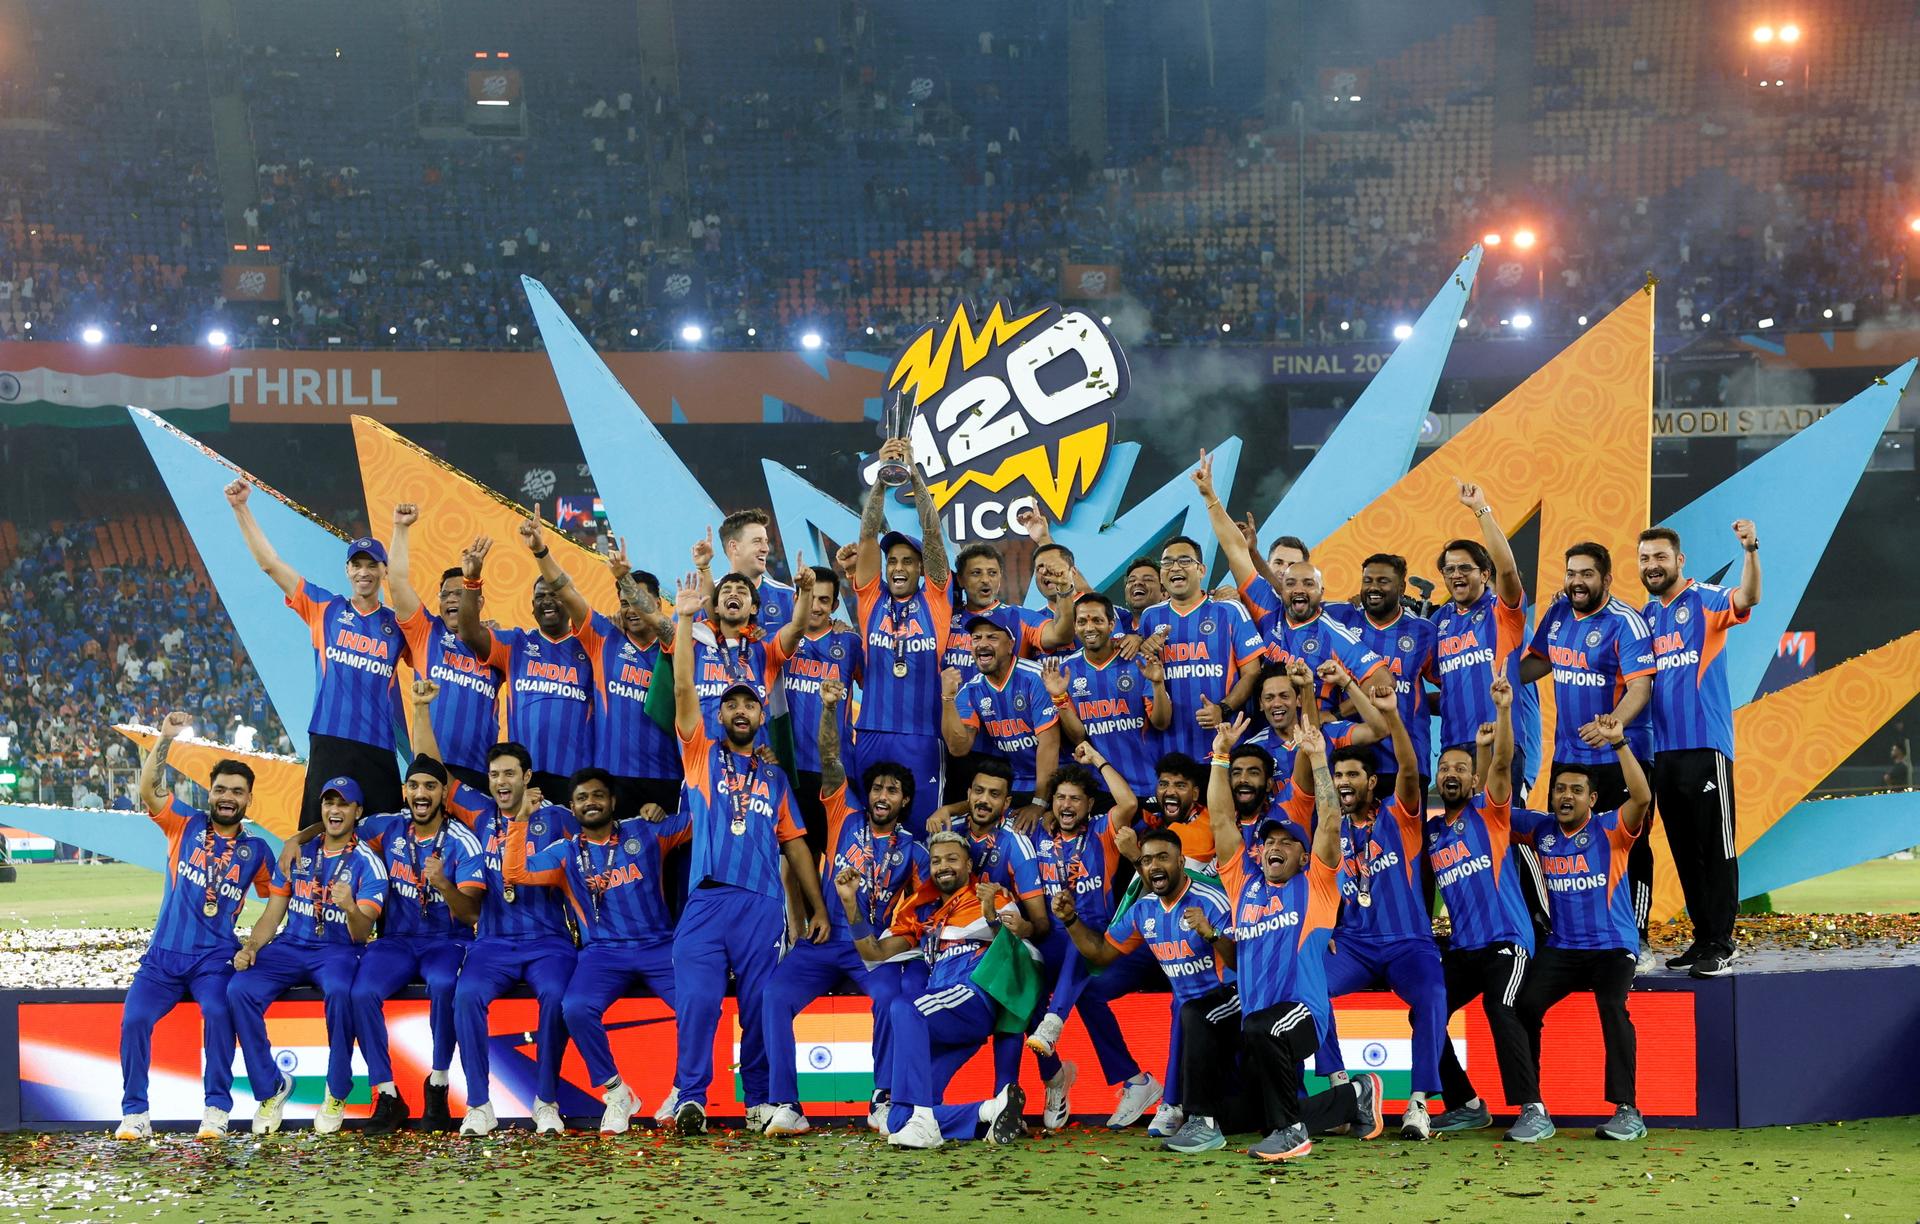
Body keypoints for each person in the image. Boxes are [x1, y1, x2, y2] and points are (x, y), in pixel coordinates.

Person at [666, 574, 830, 1136]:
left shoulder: (776, 779)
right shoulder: (700, 756)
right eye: (731, 704)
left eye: (750, 705)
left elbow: (797, 845)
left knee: (759, 1004)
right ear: (720, 716)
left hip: (761, 905)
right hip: (707, 901)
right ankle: (691, 1096)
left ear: (762, 717)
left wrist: (817, 908)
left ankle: (759, 1099)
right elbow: (683, 691)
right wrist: (684, 618)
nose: (741, 711)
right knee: (698, 1002)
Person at [1204, 720, 1388, 1159]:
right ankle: (1355, 1096)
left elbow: (1330, 821)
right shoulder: (1242, 884)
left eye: (1289, 843)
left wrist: (1319, 758)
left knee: (1261, 1033)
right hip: (1259, 1020)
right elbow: (1221, 819)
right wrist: (1220, 756)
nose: (1277, 847)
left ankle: (1292, 1135)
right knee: (1244, 1116)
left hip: (1302, 1014)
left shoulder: (1317, 886)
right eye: (1271, 841)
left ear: (1304, 856)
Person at [760, 678, 927, 1137]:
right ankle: (787, 1104)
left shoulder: (913, 851)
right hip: (823, 937)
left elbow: (924, 908)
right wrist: (830, 709)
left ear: (904, 801)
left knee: (890, 1000)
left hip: (870, 948)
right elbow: (831, 757)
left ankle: (883, 1097)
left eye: (893, 791)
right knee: (773, 996)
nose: (882, 796)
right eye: (877, 788)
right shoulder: (844, 816)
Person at [115, 712, 285, 1142]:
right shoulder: (184, 824)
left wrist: (254, 944)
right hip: (162, 958)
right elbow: (148, 789)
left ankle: (216, 1109)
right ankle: (135, 1113)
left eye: (237, 792)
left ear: (249, 800)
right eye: (221, 789)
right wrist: (165, 738)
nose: (228, 797)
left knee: (218, 1012)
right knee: (134, 1020)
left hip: (213, 959)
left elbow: (277, 899)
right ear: (210, 793)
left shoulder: (256, 851)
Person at [1296, 690, 1449, 1139]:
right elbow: (1321, 873)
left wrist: (1393, 717)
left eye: (1352, 775)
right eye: (1338, 775)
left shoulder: (1400, 815)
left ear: (1371, 782)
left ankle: (1418, 1104)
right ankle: (1342, 1090)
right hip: (1354, 944)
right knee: (1307, 986)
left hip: (1408, 943)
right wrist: (1319, 757)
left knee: (1433, 994)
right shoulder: (1332, 826)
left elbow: (1408, 768)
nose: (1344, 781)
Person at [505, 767, 688, 1134]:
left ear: (613, 801)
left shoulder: (645, 831)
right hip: (603, 953)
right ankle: (617, 1093)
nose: (591, 802)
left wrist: (666, 807)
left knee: (697, 1004)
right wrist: (520, 820)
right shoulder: (565, 851)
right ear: (572, 808)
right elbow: (517, 873)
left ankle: (682, 1092)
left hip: (658, 945)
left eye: (598, 795)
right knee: (574, 1007)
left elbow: (697, 820)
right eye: (582, 798)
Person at [1506, 714, 1654, 1144]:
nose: (1565, 796)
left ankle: (1628, 1111)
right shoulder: (1541, 830)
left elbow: (1642, 797)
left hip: (1612, 946)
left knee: (1612, 1006)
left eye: (1575, 790)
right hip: (1563, 948)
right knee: (1523, 1006)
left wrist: (1620, 743)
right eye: (1559, 789)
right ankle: (1533, 1109)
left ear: (1592, 798)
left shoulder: (1611, 829)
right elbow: (1494, 813)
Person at [225, 478, 409, 822]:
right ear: (347, 570)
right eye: (357, 564)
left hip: (378, 745)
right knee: (315, 832)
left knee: (386, 834)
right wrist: (241, 509)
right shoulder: (326, 608)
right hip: (329, 738)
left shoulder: (398, 625)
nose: (364, 572)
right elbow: (270, 564)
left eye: (372, 565)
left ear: (385, 571)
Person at [1053, 824, 1237, 1154]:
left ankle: (1189, 1114)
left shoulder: (1210, 900)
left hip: (1232, 1001)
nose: (1154, 866)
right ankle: (1156, 1093)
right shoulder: (1144, 909)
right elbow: (1100, 953)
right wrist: (1070, 921)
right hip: (1193, 1013)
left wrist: (1210, 934)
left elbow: (1241, 960)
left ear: (1181, 862)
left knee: (1189, 1011)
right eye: (1147, 860)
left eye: (1163, 858)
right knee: (1181, 1008)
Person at [345, 705, 486, 1134]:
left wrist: (443, 883)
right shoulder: (387, 827)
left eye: (430, 786)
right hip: (396, 941)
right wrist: (301, 836)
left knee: (444, 984)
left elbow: (473, 913)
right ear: (404, 792)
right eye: (414, 786)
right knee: (362, 991)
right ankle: (387, 1094)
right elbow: (339, 827)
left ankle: (438, 1084)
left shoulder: (463, 841)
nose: (421, 793)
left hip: (448, 939)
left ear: (443, 794)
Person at [841, 831, 1029, 1149]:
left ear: (968, 865)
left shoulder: (990, 897)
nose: (943, 866)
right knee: (896, 1120)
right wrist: (850, 904)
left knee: (904, 1007)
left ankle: (925, 1124)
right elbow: (873, 952)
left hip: (971, 997)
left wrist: (991, 915)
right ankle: (989, 1111)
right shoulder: (922, 913)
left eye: (952, 859)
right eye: (936, 861)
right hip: (941, 1016)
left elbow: (1016, 942)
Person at [228, 776, 387, 1136]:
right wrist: (251, 947)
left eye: (343, 804)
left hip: (338, 950)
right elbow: (273, 913)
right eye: (329, 803)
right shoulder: (298, 852)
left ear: (357, 811)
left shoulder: (368, 863)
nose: (335, 810)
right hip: (291, 945)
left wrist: (350, 907)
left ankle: (337, 1089)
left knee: (341, 992)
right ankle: (271, 1087)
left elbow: (362, 933)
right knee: (239, 989)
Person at [1638, 521, 1760, 978]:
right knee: (1686, 851)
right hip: (1663, 752)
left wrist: (1750, 551)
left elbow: (1748, 598)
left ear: (1679, 560)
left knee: (1716, 847)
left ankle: (1723, 942)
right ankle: (1703, 937)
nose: (1653, 565)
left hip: (1706, 746)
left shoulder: (1705, 599)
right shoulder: (1646, 617)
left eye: (1660, 557)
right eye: (1645, 558)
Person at [1520, 542, 1655, 955]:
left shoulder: (1625, 622)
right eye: (1571, 573)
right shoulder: (1558, 613)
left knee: (1629, 846)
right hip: (1568, 757)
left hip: (1620, 756)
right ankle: (1570, 938)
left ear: (1606, 579)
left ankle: (1638, 938)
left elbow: (1641, 687)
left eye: (1586, 574)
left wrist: (1614, 725)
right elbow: (1540, 661)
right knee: (1563, 845)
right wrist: (1495, 672)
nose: (1577, 582)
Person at [441, 739, 581, 1137]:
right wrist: (419, 711)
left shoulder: (557, 818)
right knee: (466, 996)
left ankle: (546, 1101)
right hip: (493, 942)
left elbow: (600, 834)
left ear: (527, 777)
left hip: (547, 940)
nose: (501, 782)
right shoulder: (480, 812)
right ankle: (479, 1105)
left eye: (509, 774)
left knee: (556, 996)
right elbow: (436, 772)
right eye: (494, 775)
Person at [1424, 677, 1535, 1133]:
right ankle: (1466, 1104)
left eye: (1460, 768)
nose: (1450, 773)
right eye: (1443, 766)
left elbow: (1502, 763)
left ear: (1473, 780)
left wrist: (1504, 711)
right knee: (1425, 1011)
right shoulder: (1432, 833)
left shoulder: (1490, 814)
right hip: (1465, 949)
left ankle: (1533, 1110)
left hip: (1506, 942)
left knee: (1499, 1007)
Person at [1023, 748, 1139, 1125]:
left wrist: (1098, 760)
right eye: (1060, 797)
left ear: (1089, 804)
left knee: (1079, 946)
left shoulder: (1103, 831)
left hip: (1094, 936)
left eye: (1075, 798)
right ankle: (1059, 1078)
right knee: (1028, 997)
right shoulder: (1039, 834)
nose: (1066, 804)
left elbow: (1129, 802)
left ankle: (1055, 1023)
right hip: (1049, 937)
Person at [532, 533, 681, 817]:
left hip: (667, 777)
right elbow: (566, 591)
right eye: (624, 603)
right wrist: (541, 552)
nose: (631, 610)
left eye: (637, 601)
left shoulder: (675, 645)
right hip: (614, 777)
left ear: (658, 605)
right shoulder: (603, 637)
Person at [851, 436, 953, 831]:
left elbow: (933, 534)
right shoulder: (870, 598)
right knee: (869, 828)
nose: (897, 567)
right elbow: (867, 536)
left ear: (921, 569)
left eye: (908, 562)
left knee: (923, 828)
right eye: (892, 560)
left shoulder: (936, 600)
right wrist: (882, 478)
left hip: (922, 736)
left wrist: (913, 475)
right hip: (872, 731)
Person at [454, 532, 592, 802]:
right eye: (540, 597)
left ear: (569, 601)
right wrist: (471, 581)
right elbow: (469, 633)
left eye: (555, 595)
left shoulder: (590, 648)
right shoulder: (516, 643)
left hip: (575, 778)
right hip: (524, 778)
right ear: (532, 608)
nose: (547, 601)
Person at [389, 503, 504, 791]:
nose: (452, 599)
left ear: (478, 601)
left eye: (460, 593)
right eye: (445, 594)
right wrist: (401, 528)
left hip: (477, 773)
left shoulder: (496, 644)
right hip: (426, 770)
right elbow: (397, 582)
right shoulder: (426, 632)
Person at [1136, 533, 1266, 763]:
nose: (1175, 567)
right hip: (1172, 752)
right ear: (1162, 574)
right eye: (1167, 562)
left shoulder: (1229, 610)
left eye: (1185, 560)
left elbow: (1252, 673)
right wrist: (1140, 643)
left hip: (1227, 746)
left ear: (1201, 570)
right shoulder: (1150, 617)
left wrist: (1223, 709)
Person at [1326, 553, 1439, 804]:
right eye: (1367, 581)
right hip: (1350, 763)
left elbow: (1449, 688)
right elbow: (1291, 601)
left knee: (1405, 831)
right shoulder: (1340, 620)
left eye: (1383, 581)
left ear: (1402, 587)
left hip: (1406, 760)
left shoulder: (1423, 631)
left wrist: (1420, 706)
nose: (1373, 587)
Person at [767, 561, 862, 856]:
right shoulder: (780, 639)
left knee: (837, 855)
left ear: (834, 605)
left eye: (824, 600)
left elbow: (872, 686)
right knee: (794, 858)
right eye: (811, 597)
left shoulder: (850, 643)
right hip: (789, 769)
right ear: (797, 598)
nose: (816, 607)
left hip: (835, 770)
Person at [1044, 592, 1171, 805]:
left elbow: (1162, 722)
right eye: (1082, 622)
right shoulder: (1066, 671)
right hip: (1100, 787)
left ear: (1111, 625)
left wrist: (1158, 685)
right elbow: (1078, 737)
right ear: (1074, 627)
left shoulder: (1139, 662)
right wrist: (1060, 698)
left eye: (1097, 620)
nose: (1089, 627)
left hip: (1148, 783)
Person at [942, 617, 1059, 821]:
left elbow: (1049, 743)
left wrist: (1039, 803)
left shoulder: (1036, 677)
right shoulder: (971, 690)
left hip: (1058, 781)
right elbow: (959, 748)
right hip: (1017, 784)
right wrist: (948, 698)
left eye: (992, 637)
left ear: (1010, 645)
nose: (982, 644)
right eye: (976, 638)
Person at [718, 508, 795, 636]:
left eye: (766, 542)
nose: (766, 549)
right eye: (757, 541)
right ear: (734, 547)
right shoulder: (706, 598)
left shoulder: (789, 598)